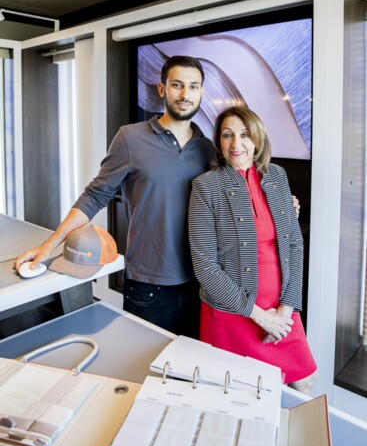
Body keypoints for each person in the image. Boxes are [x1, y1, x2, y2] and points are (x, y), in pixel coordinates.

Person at [14, 56, 299, 339]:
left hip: (203, 285)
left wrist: (285, 207)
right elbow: (94, 196)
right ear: (162, 89)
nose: (185, 94)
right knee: (146, 370)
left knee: (191, 374)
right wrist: (49, 246)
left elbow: (242, 200)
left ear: (202, 91)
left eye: (194, 86)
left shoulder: (211, 150)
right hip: (148, 286)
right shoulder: (130, 138)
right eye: (177, 85)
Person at [188, 105, 317, 394]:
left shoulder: (277, 176)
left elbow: (294, 244)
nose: (237, 143)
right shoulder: (205, 187)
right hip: (232, 312)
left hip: (281, 306)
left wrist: (286, 308)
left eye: (245, 134)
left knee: (305, 380)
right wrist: (260, 316)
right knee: (238, 393)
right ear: (219, 144)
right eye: (227, 135)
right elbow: (205, 265)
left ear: (257, 139)